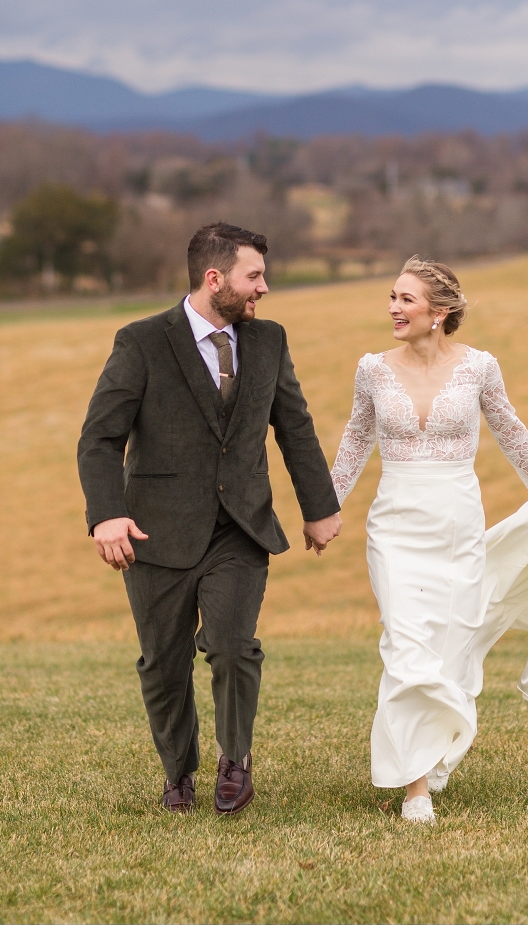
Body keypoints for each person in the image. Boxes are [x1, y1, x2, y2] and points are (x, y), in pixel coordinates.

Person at [330, 256, 528, 824]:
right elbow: (355, 438)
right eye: (391, 297)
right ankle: (415, 788)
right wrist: (326, 506)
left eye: (405, 299)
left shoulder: (479, 367)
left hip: (457, 523)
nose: (393, 308)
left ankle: (434, 744)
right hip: (395, 524)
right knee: (405, 643)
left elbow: (509, 428)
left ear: (439, 312)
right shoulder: (372, 369)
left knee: (450, 644)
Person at [78, 222, 342, 815]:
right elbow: (99, 438)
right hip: (154, 531)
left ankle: (235, 759)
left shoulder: (269, 340)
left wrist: (319, 507)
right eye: (255, 276)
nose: (264, 288)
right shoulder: (141, 342)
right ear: (214, 278)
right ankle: (179, 774)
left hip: (241, 527)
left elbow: (294, 426)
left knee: (232, 645)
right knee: (163, 664)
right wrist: (107, 515)